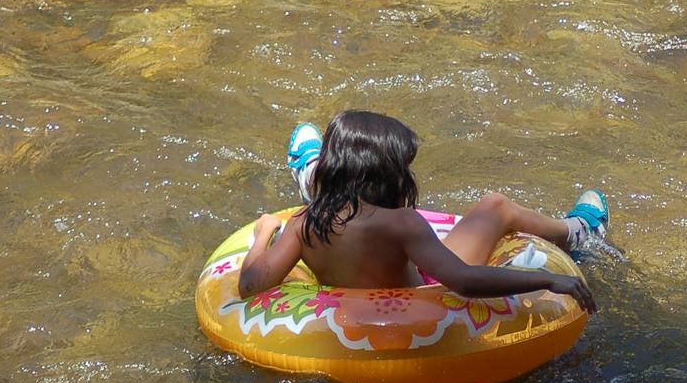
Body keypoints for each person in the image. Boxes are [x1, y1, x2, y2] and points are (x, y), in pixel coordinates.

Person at [237, 110, 607, 313]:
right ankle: (578, 231)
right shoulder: (400, 224)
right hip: (422, 300)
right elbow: (462, 280)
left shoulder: (304, 223)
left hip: (345, 301)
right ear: (387, 173)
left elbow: (252, 284)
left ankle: (314, 169)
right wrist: (546, 280)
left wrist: (264, 233)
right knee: (495, 206)